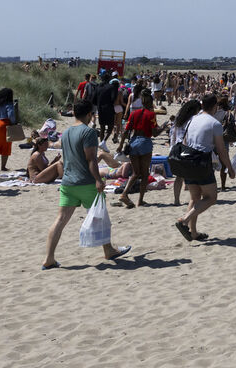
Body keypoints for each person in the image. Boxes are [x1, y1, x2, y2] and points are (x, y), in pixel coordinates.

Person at [41, 99, 131, 269]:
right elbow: (91, 159)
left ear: (74, 113)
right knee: (101, 217)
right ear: (90, 114)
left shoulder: (66, 133)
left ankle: (49, 258)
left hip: (68, 183)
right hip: (86, 183)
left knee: (60, 220)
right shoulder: (88, 132)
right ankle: (109, 250)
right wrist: (98, 179)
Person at [174, 94, 235, 242]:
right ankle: (184, 220)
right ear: (215, 107)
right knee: (211, 197)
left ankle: (193, 233)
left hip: (188, 160)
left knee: (194, 198)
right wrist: (230, 168)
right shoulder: (215, 124)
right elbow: (221, 150)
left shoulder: (192, 119)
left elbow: (185, 141)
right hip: (201, 162)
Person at [116, 91, 160, 208]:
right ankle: (140, 200)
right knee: (145, 174)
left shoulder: (134, 113)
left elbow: (126, 131)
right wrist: (164, 127)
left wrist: (120, 145)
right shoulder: (151, 115)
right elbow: (155, 133)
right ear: (150, 102)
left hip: (133, 142)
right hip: (145, 143)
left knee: (135, 173)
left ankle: (124, 193)